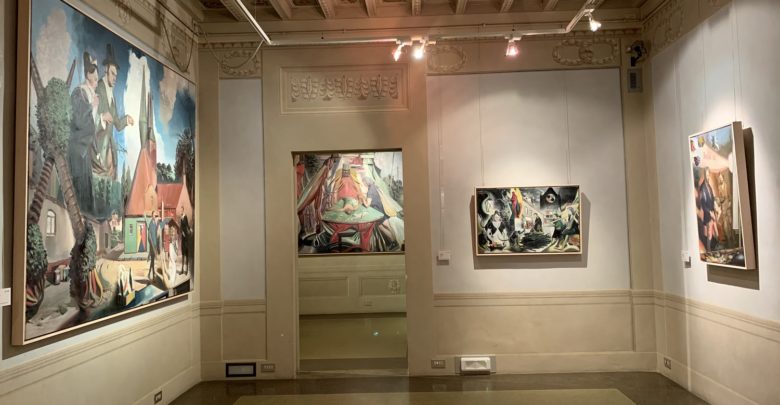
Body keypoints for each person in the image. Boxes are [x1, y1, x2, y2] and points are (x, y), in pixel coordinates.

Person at [94, 43, 134, 180]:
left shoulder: (112, 96)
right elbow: (90, 117)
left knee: (111, 178)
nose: (115, 78)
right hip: (98, 147)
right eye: (112, 73)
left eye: (116, 75)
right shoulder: (98, 88)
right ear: (106, 70)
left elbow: (117, 123)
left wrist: (126, 120)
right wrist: (102, 117)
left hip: (109, 147)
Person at [68, 52, 100, 213]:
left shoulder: (88, 93)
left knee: (86, 190)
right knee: (78, 191)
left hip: (84, 150)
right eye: (95, 79)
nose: (96, 83)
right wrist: (91, 106)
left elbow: (91, 124)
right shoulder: (78, 92)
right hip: (77, 149)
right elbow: (79, 120)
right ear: (88, 76)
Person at [147, 211, 161, 281]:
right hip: (152, 245)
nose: (154, 216)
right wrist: (151, 244)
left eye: (155, 215)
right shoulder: (150, 224)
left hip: (155, 245)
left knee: (153, 261)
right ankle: (153, 275)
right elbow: (149, 237)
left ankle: (149, 274)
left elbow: (156, 235)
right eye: (153, 215)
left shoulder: (155, 224)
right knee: (152, 260)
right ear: (152, 216)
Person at [179, 207, 191, 275]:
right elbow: (181, 227)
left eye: (181, 210)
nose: (180, 211)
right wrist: (181, 232)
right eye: (180, 210)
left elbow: (187, 225)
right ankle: (182, 269)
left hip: (186, 237)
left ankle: (186, 270)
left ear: (183, 210)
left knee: (186, 254)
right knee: (183, 254)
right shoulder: (181, 217)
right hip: (183, 237)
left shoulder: (185, 216)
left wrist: (189, 230)